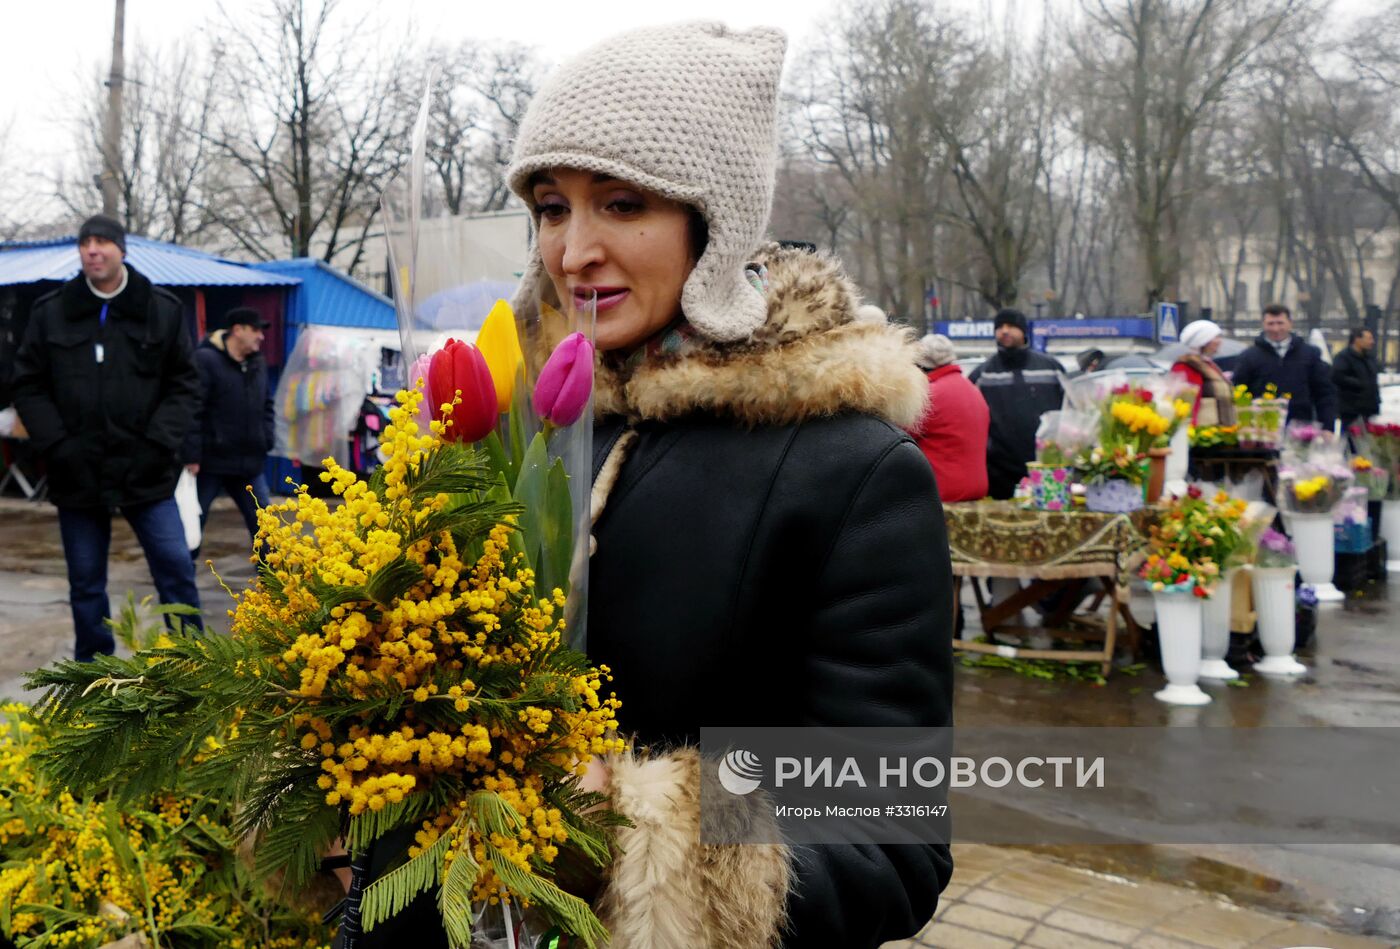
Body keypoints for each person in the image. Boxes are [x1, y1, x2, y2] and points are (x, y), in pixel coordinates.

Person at [360, 21, 953, 949]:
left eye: (623, 204)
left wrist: (623, 828)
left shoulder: (850, 468)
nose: (574, 250)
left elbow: (889, 835)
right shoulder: (524, 427)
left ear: (710, 227)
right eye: (553, 207)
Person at [12, 214, 202, 661]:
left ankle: (192, 660)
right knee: (85, 580)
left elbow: (184, 384)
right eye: (86, 243)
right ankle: (93, 670)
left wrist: (159, 443)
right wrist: (57, 445)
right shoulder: (52, 312)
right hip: (77, 472)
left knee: (175, 567)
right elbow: (27, 384)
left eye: (102, 242)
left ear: (122, 250)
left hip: (148, 471)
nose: (92, 250)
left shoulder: (161, 309)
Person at [183, 306, 274, 546]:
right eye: (255, 330)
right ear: (237, 330)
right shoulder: (206, 360)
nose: (261, 336)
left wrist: (266, 438)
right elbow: (192, 408)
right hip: (210, 463)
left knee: (267, 530)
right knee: (191, 526)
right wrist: (191, 454)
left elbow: (267, 404)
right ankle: (180, 582)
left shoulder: (257, 363)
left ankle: (273, 582)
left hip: (249, 463)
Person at [969, 308, 1064, 499]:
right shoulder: (983, 375)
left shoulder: (1051, 368)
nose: (1004, 331)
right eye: (1000, 327)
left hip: (1047, 464)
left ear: (1023, 331)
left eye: (1011, 326)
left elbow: (1070, 410)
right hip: (999, 471)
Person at [1230, 304, 1337, 429]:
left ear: (1290, 324)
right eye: (1271, 323)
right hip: (1262, 427)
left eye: (1280, 323)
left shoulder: (1310, 354)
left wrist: (1328, 426)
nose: (1276, 328)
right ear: (1263, 324)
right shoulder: (1248, 356)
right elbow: (1238, 391)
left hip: (1301, 425)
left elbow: (1324, 392)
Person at [910, 333, 989, 502]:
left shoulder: (930, 395)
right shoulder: (972, 390)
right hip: (976, 488)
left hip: (943, 493)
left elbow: (901, 436)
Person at [1171, 319, 1237, 427]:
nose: (1219, 341)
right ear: (1203, 341)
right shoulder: (1188, 366)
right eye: (1215, 337)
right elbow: (1188, 403)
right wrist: (1190, 428)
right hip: (1203, 432)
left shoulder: (1208, 364)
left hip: (1219, 431)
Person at [1332, 326, 1381, 430]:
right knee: (1350, 441)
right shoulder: (1343, 357)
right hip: (1351, 410)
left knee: (1365, 443)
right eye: (1369, 338)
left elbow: (1372, 381)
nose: (1372, 342)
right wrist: (1360, 384)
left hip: (1367, 409)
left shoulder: (1369, 358)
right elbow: (1338, 377)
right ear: (1357, 339)